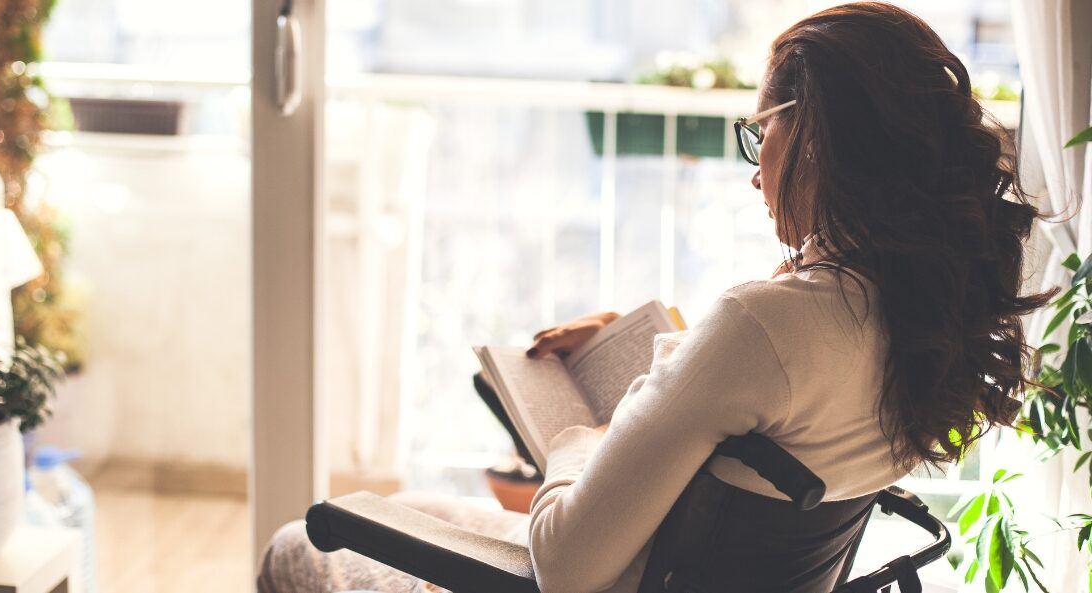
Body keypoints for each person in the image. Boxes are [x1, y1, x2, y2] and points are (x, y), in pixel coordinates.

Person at [257, 3, 1056, 592]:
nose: (753, 166)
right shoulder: (924, 312)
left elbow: (565, 564)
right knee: (423, 502)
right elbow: (768, 410)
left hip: (607, 568)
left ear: (812, 128)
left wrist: (576, 435)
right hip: (671, 557)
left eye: (759, 133)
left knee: (299, 544)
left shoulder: (766, 324)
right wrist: (656, 349)